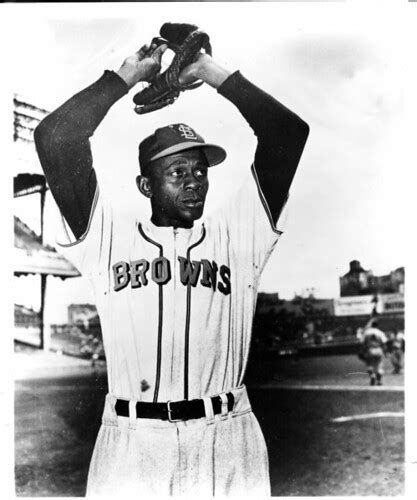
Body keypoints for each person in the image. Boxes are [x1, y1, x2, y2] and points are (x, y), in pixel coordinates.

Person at [34, 37, 309, 496]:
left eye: (200, 171)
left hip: (227, 436)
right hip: (132, 443)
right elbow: (56, 138)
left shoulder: (238, 234)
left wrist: (204, 68)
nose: (195, 182)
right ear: (145, 184)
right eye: (177, 172)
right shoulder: (107, 237)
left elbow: (287, 134)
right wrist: (127, 76)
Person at [359, 319, 388, 386]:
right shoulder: (380, 332)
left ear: (371, 325)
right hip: (378, 349)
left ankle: (372, 376)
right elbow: (384, 344)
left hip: (369, 350)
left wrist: (361, 351)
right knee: (379, 366)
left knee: (370, 365)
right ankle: (379, 381)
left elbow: (362, 343)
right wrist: (385, 352)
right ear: (377, 326)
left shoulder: (366, 332)